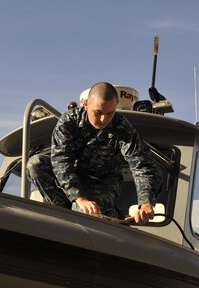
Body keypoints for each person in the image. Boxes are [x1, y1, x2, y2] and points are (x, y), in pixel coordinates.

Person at [27, 82, 160, 224]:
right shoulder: (68, 123)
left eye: (110, 113)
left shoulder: (122, 128)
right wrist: (80, 198)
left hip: (103, 182)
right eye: (98, 113)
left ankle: (112, 216)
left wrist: (146, 202)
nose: (103, 119)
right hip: (72, 180)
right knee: (35, 164)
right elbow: (61, 162)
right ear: (85, 104)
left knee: (94, 207)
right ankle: (62, 212)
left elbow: (142, 165)